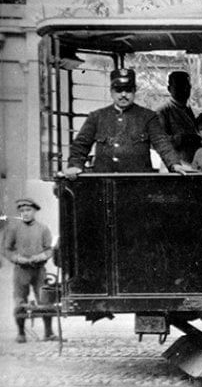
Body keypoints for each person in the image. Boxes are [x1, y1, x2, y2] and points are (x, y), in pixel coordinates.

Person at [64, 68, 192, 178]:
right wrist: (75, 166)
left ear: (134, 90)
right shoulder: (97, 117)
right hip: (105, 183)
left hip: (138, 184)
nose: (123, 95)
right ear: (111, 92)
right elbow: (80, 146)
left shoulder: (148, 117)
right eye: (119, 90)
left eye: (128, 90)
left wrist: (174, 164)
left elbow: (162, 143)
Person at [2, 198, 56, 343]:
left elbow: (49, 249)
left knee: (44, 300)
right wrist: (18, 259)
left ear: (34, 211)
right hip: (21, 271)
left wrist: (40, 257)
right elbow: (6, 250)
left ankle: (48, 332)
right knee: (20, 300)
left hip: (39, 270)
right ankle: (21, 333)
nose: (25, 213)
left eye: (28, 210)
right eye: (22, 211)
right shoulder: (13, 229)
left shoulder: (43, 229)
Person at [156, 71, 200, 164]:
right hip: (175, 165)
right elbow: (160, 142)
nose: (184, 90)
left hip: (193, 163)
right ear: (169, 89)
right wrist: (184, 138)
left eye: (187, 86)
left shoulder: (190, 110)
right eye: (179, 86)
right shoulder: (163, 112)